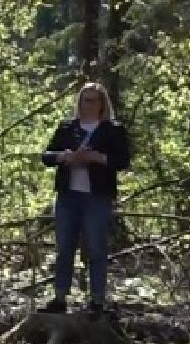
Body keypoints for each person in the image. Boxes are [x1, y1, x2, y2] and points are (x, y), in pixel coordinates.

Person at [41, 82, 131, 316]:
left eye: (93, 100)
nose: (87, 105)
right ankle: (59, 298)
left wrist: (98, 158)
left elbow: (123, 161)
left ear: (102, 104)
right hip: (68, 196)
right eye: (84, 100)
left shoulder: (112, 130)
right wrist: (65, 157)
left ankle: (97, 301)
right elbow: (46, 156)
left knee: (96, 249)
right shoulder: (67, 128)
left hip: (96, 197)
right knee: (64, 249)